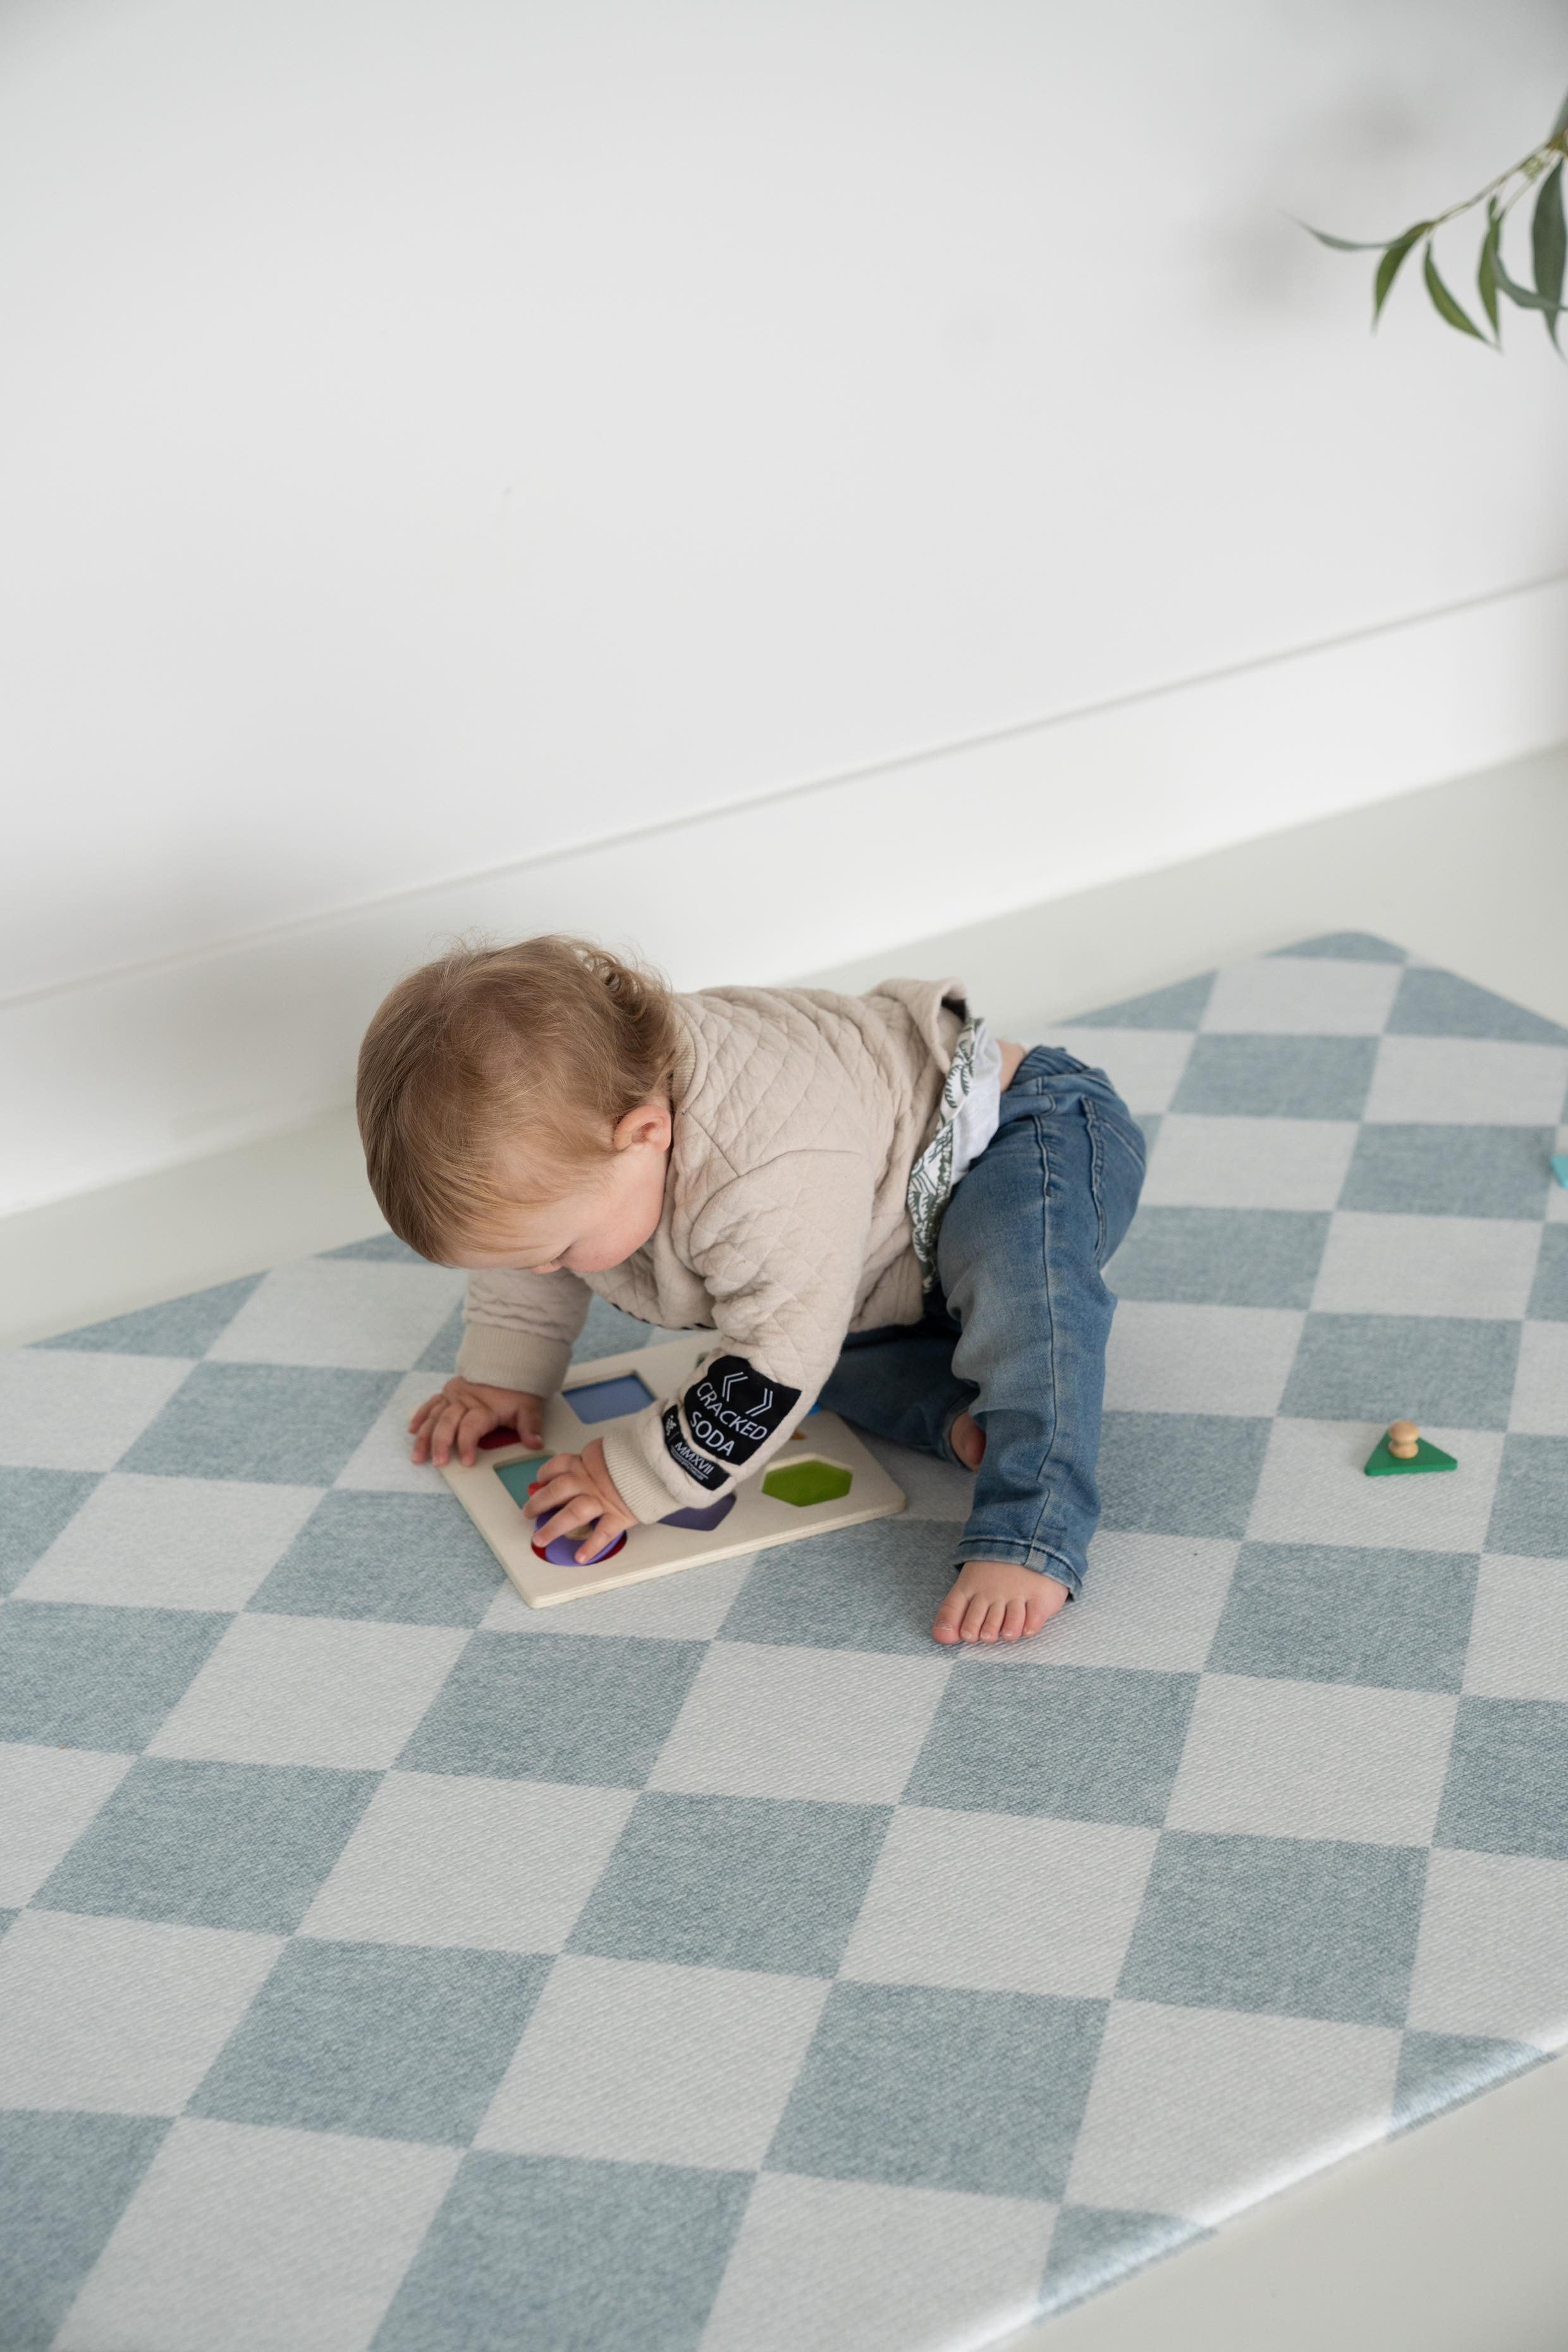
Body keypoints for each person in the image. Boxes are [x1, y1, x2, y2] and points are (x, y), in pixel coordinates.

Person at [356, 935, 1144, 1645]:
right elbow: (547, 1251)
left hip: (1024, 1134)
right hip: (873, 1246)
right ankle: (955, 1409)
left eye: (557, 1251)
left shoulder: (756, 1175)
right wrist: (504, 1370)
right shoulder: (591, 1128)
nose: (544, 1270)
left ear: (644, 1137)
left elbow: (775, 1359)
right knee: (798, 1354)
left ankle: (1031, 1527)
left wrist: (632, 1479)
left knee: (1014, 1296)